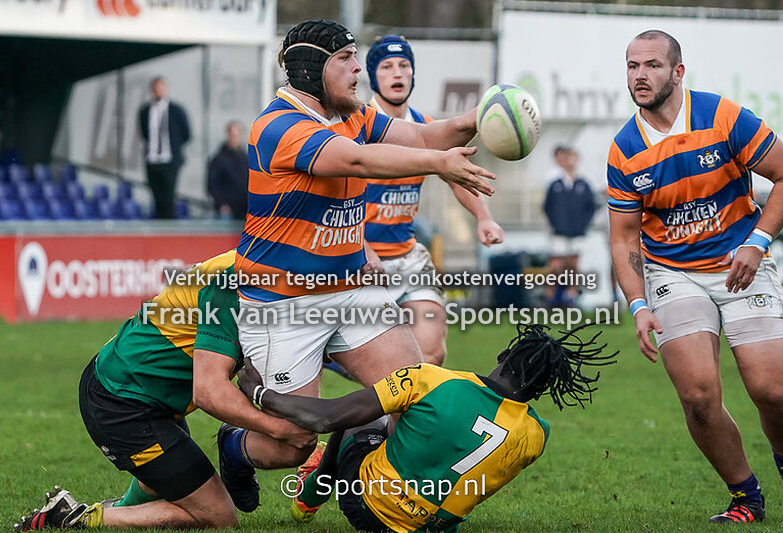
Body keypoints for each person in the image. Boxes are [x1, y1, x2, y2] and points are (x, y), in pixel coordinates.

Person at [216, 18, 498, 513]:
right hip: (285, 302)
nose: (356, 71)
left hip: (351, 289)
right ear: (309, 71)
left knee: (416, 392)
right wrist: (439, 163)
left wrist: (487, 113)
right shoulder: (279, 126)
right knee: (292, 442)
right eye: (344, 61)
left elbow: (426, 133)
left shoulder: (352, 111)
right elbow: (359, 162)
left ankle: (372, 490)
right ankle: (234, 446)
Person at [608, 29, 783, 524]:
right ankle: (746, 497)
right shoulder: (624, 149)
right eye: (632, 66)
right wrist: (638, 306)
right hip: (673, 273)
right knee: (699, 397)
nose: (639, 76)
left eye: (652, 66)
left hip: (741, 263)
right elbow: (623, 241)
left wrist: (757, 242)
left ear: (677, 72)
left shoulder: (723, 116)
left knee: (773, 391)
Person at [14, 251, 315, 531]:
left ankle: (114, 509)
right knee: (218, 515)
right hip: (122, 402)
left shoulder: (264, 265)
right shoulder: (236, 282)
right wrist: (278, 428)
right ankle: (72, 517)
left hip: (147, 394)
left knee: (161, 480)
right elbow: (209, 393)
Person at [237, 324, 616, 532]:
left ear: (504, 356)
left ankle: (312, 497)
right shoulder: (539, 435)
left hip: (367, 509)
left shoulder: (435, 380)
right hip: (430, 527)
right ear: (543, 388)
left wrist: (260, 393)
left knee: (360, 415)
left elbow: (326, 417)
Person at [362, 35, 504, 365]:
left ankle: (395, 416)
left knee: (432, 354)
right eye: (386, 66)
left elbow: (456, 176)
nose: (397, 73)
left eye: (404, 66)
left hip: (406, 256)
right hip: (358, 262)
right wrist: (360, 245)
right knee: (380, 362)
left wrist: (484, 217)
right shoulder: (358, 124)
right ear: (373, 76)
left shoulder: (425, 127)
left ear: (413, 74)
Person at [542, 145, 597, 306]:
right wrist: (556, 223)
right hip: (559, 231)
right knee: (556, 263)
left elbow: (591, 207)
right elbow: (548, 207)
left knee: (573, 263)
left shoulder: (583, 184)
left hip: (577, 231)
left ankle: (570, 295)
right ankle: (549, 296)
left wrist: (583, 224)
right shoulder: (555, 184)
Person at [138, 76, 191, 219]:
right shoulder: (145, 111)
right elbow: (144, 134)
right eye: (155, 88)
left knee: (169, 199)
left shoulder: (176, 110)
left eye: (161, 87)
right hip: (153, 160)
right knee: (157, 199)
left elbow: (186, 134)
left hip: (170, 161)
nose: (158, 91)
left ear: (166, 89)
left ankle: (169, 233)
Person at [207, 121, 248, 221]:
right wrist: (221, 204)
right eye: (232, 135)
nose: (234, 138)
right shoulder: (218, 159)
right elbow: (212, 184)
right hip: (227, 210)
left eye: (237, 135)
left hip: (245, 208)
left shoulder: (247, 158)